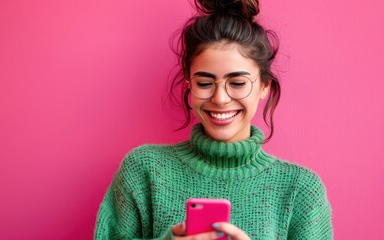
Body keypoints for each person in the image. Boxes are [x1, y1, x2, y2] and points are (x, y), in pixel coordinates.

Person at [94, 0, 333, 239]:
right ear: (189, 83)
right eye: (205, 83)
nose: (220, 99)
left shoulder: (300, 190)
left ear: (264, 86)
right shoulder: (144, 170)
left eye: (238, 83)